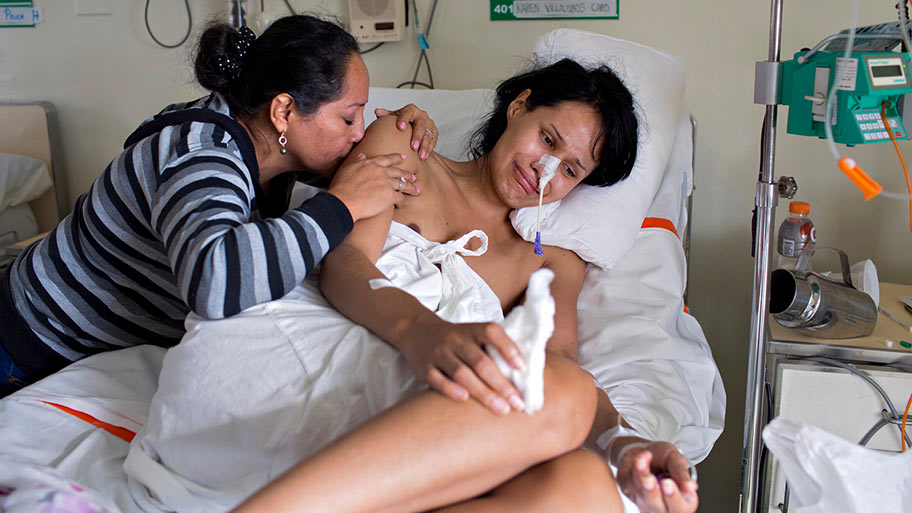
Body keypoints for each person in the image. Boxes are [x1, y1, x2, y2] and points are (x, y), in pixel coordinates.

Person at [126, 59, 697, 513]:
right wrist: (425, 333)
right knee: (565, 394)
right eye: (548, 139)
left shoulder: (546, 258)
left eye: (571, 170)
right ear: (519, 107)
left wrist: (626, 446)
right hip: (301, 352)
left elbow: (561, 356)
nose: (546, 171)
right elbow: (345, 266)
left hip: (405, 405)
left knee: (588, 490)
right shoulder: (404, 149)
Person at [0, 14, 439, 397]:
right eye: (348, 117)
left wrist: (395, 130)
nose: (359, 133)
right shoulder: (204, 153)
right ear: (283, 111)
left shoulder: (256, 143)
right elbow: (213, 278)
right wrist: (342, 204)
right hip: (26, 344)